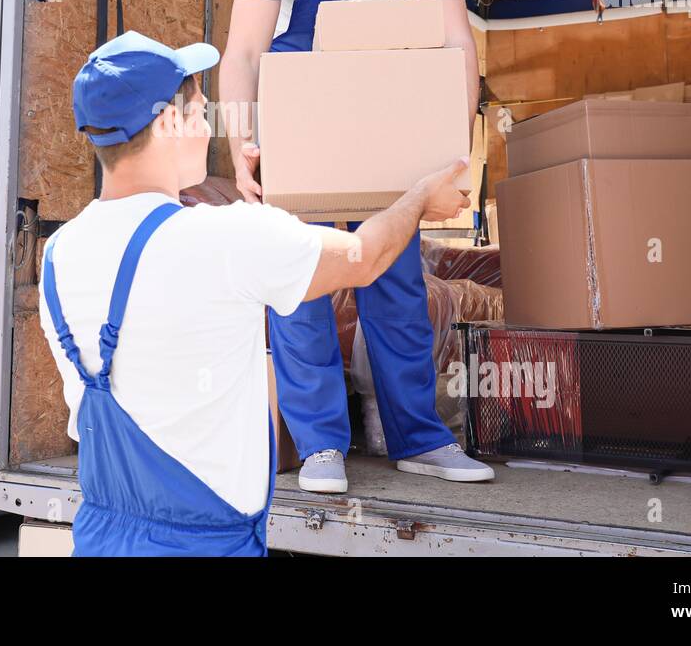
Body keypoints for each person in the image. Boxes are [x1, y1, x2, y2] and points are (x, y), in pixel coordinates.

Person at [39, 30, 470, 556]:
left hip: (102, 537)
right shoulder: (225, 236)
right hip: (206, 546)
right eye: (200, 113)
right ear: (169, 120)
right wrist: (421, 196)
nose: (207, 128)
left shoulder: (58, 255)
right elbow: (367, 257)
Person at [218, 0, 493, 493]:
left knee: (395, 282)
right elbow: (244, 47)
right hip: (300, 111)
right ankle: (319, 448)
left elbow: (455, 42)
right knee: (302, 281)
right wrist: (239, 138)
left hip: (386, 110)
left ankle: (419, 440)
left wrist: (450, 153)